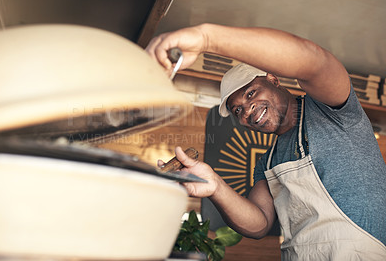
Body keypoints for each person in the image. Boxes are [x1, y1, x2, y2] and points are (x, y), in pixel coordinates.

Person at [146, 23, 386, 260]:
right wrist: (215, 186)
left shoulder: (331, 110)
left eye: (251, 93)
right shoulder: (266, 162)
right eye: (237, 110)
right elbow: (258, 224)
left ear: (273, 80)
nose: (247, 111)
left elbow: (315, 63)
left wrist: (206, 38)